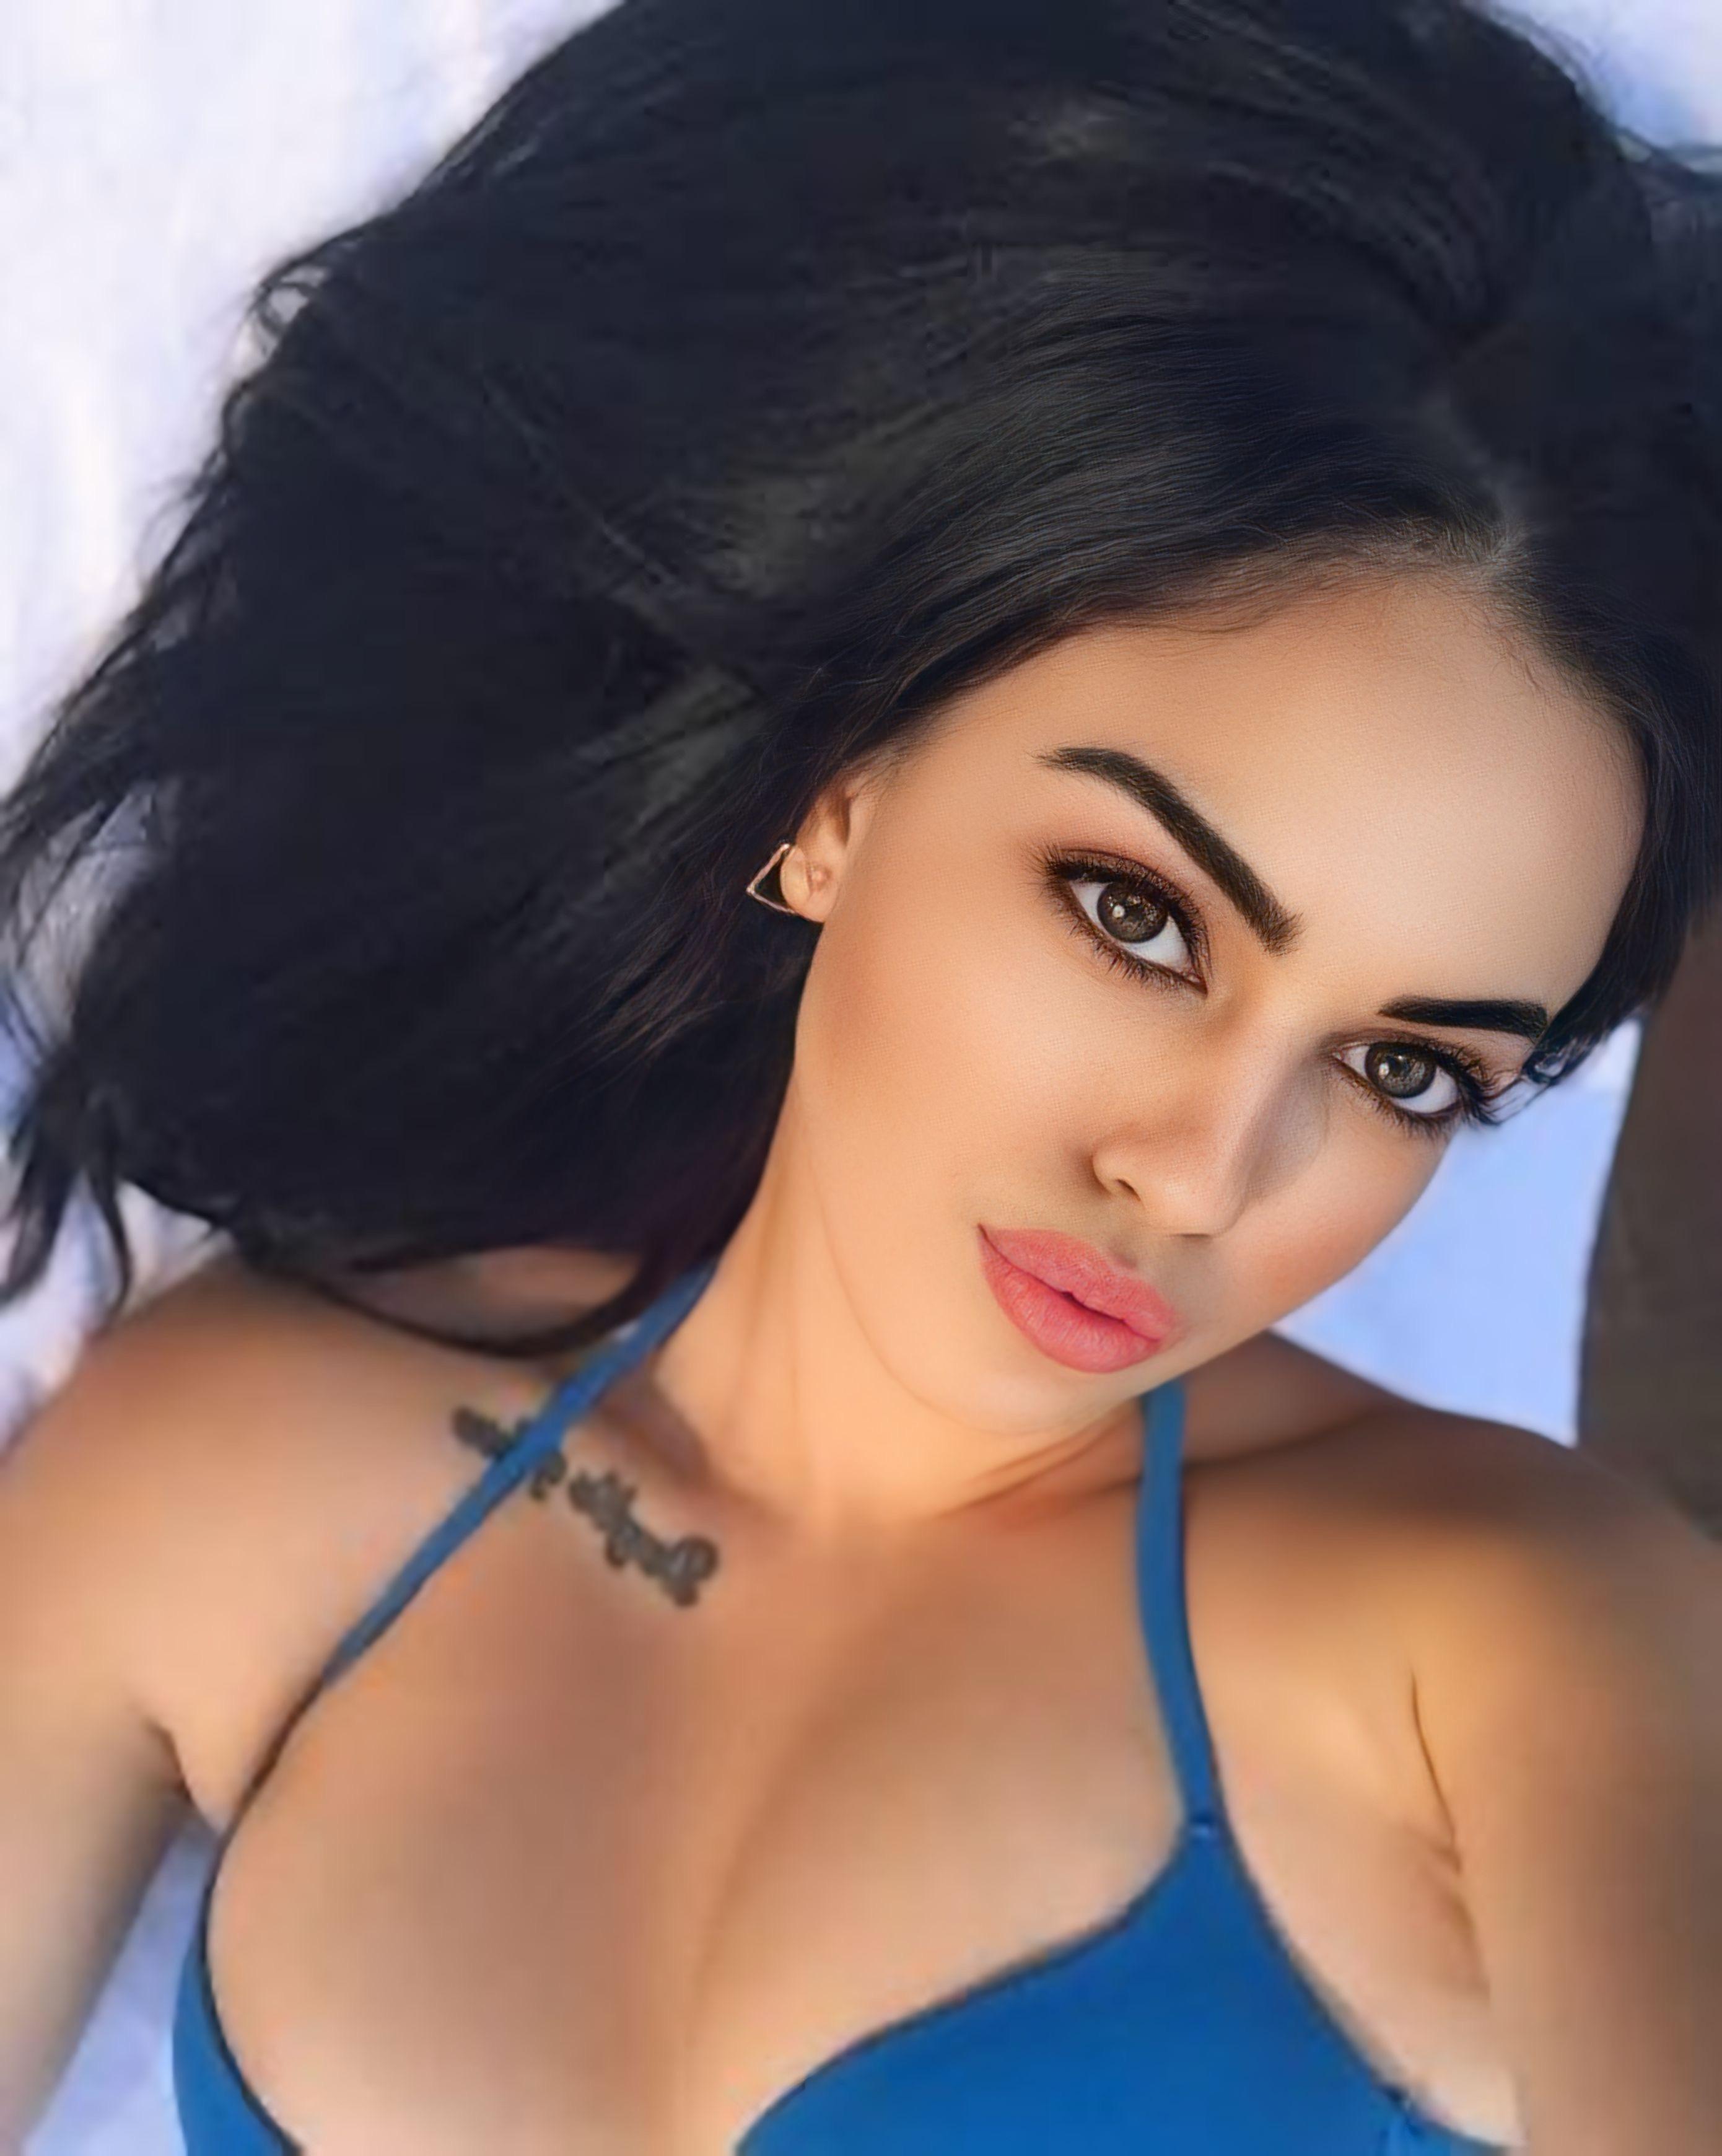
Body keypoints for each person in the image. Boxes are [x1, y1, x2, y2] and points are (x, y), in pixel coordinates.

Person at [1, 1, 1719, 2150]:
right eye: (1136, 914)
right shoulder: (243, 1476)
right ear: (836, 794)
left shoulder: (1527, 1651)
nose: (1203, 1174)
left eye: (1402, 1066)